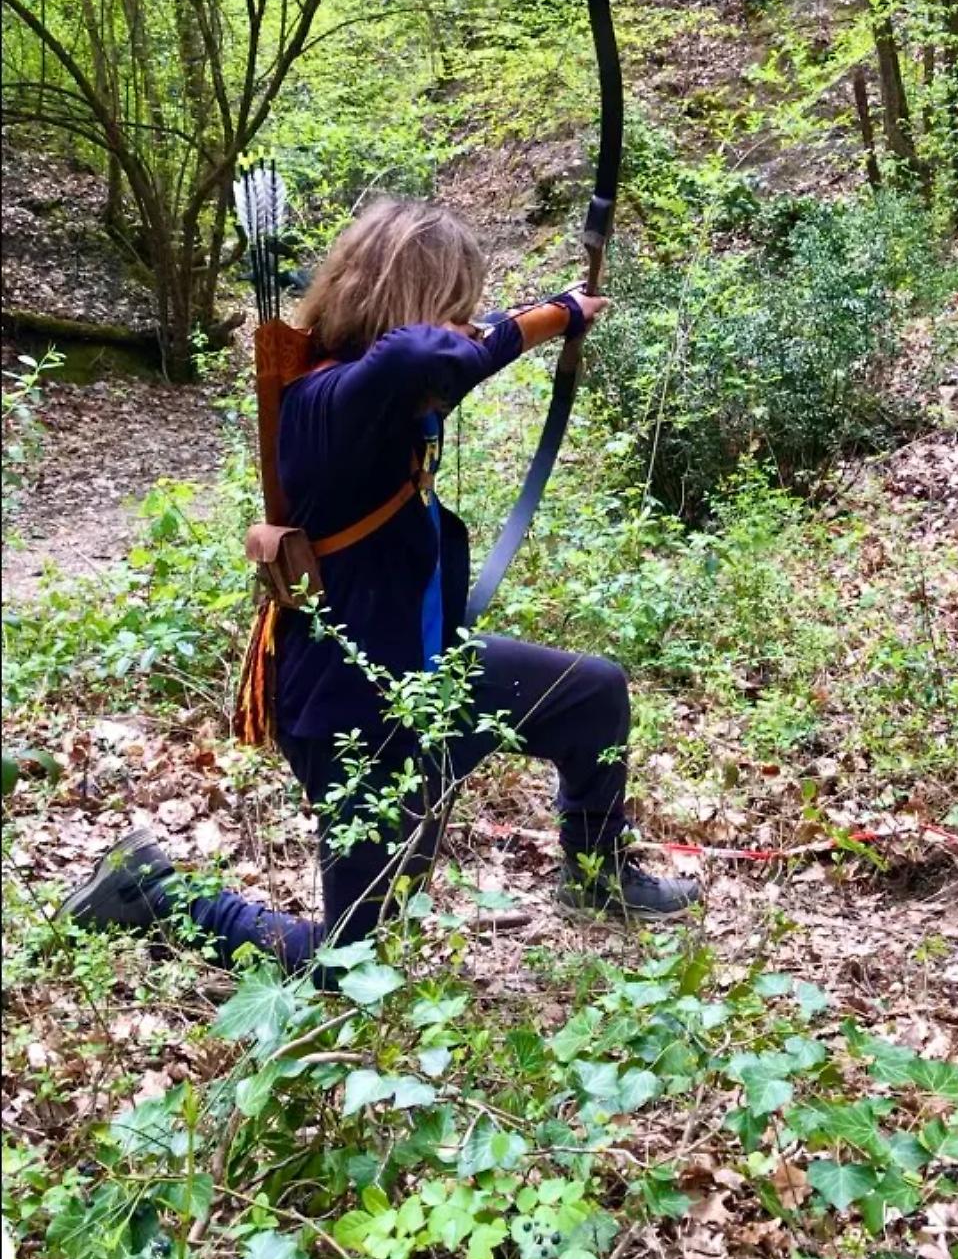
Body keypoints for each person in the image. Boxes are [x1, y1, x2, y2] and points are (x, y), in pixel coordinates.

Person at [62, 198, 700, 965]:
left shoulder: (374, 387)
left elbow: (449, 352)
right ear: (417, 303)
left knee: (592, 692)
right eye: (454, 303)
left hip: (425, 672)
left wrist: (550, 314)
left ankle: (597, 874)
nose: (465, 320)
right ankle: (152, 891)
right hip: (352, 710)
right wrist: (553, 317)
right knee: (350, 962)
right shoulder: (336, 400)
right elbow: (431, 357)